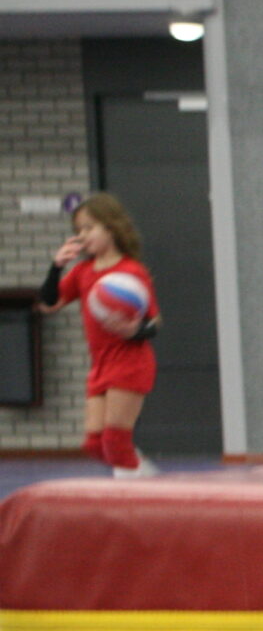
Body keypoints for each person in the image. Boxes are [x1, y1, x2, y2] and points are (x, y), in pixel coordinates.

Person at [35, 193, 157, 478]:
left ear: (111, 228)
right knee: (94, 444)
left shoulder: (131, 272)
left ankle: (137, 488)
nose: (82, 236)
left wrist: (133, 330)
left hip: (130, 362)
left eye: (89, 228)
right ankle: (144, 474)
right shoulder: (82, 271)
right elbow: (48, 303)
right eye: (79, 230)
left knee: (115, 440)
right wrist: (56, 267)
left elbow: (153, 324)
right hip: (101, 365)